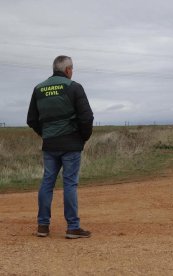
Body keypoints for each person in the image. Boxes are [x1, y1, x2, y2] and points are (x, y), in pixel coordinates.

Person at [27, 55, 94, 239]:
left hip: (50, 144)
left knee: (47, 182)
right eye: (72, 69)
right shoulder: (74, 87)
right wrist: (83, 138)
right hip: (71, 143)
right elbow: (87, 117)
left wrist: (46, 133)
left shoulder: (38, 88)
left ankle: (43, 226)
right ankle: (73, 227)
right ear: (67, 70)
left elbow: (31, 119)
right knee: (70, 184)